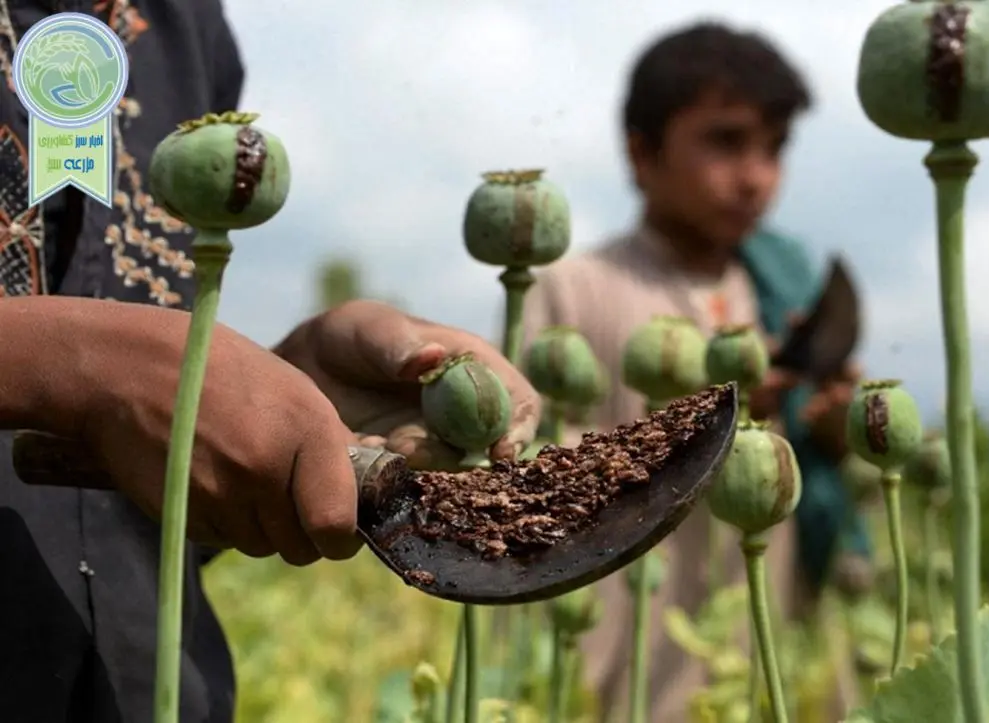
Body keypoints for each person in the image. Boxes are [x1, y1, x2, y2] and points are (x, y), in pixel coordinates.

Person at [0, 2, 539, 721]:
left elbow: (126, 489)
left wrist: (282, 391)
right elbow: (111, 369)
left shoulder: (185, 25)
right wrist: (86, 362)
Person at [521, 21, 870, 722]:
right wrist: (700, 420)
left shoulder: (782, 291)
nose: (755, 176)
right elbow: (528, 469)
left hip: (768, 632)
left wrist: (835, 428)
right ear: (643, 152)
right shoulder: (574, 288)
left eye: (774, 148)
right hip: (629, 641)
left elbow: (822, 474)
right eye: (726, 141)